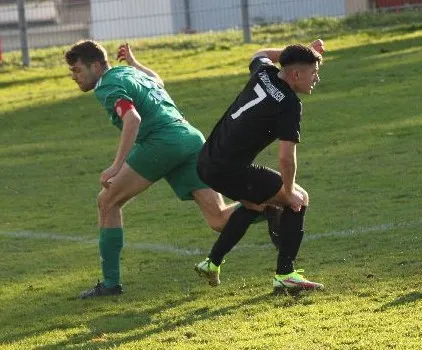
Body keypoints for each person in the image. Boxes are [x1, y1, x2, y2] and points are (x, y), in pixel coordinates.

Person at [64, 40, 278, 299]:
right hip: (189, 138)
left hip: (161, 142)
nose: (74, 77)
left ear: (96, 65)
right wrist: (133, 62)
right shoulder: (127, 73)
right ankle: (268, 205)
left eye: (77, 70)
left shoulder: (106, 86)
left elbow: (132, 119)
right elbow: (157, 81)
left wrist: (116, 166)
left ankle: (110, 284)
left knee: (107, 202)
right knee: (219, 219)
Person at [194, 39, 325, 293]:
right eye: (313, 73)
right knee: (299, 197)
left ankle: (212, 262)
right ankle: (285, 274)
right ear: (296, 74)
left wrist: (295, 53)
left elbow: (261, 53)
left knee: (259, 202)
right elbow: (286, 158)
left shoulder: (264, 72)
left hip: (206, 161)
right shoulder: (289, 104)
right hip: (229, 170)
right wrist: (288, 192)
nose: (316, 79)